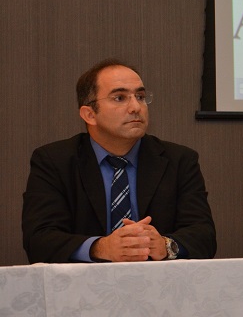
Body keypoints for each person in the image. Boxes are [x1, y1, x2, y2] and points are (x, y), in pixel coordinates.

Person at [22, 59, 216, 263]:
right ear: (90, 114)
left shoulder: (179, 160)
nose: (136, 107)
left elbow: (204, 236)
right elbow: (39, 240)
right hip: (84, 282)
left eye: (140, 97)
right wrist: (100, 248)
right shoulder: (54, 161)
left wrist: (166, 245)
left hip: (159, 280)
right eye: (119, 98)